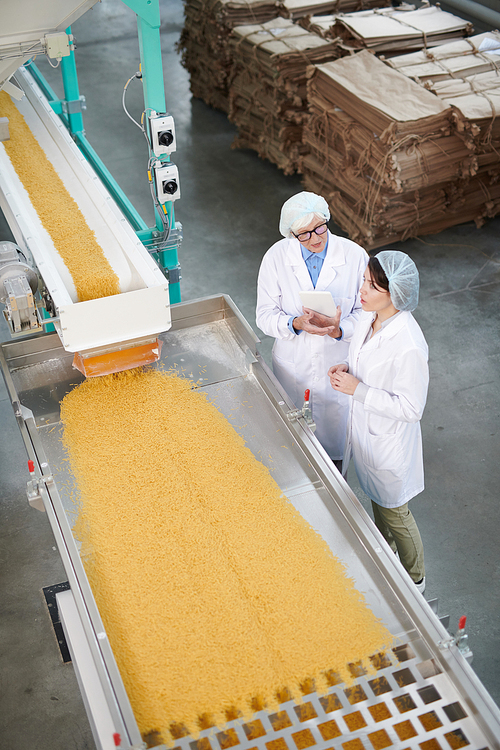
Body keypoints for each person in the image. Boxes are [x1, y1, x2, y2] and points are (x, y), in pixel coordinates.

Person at [328, 251, 428, 593]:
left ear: (394, 293)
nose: (362, 291)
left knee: (395, 513)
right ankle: (384, 560)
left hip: (388, 443)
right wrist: (347, 369)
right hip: (368, 435)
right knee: (379, 505)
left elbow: (412, 408)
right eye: (364, 281)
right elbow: (364, 360)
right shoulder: (371, 319)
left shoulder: (409, 344)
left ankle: (416, 581)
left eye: (372, 286)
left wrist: (359, 390)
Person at [256, 191, 368, 467]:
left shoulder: (354, 256)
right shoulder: (276, 258)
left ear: (327, 220)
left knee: (335, 453)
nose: (315, 238)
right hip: (294, 367)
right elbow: (264, 315)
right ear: (291, 234)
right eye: (304, 234)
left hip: (337, 365)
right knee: (292, 452)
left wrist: (339, 330)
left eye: (320, 228)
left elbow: (369, 314)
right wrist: (294, 324)